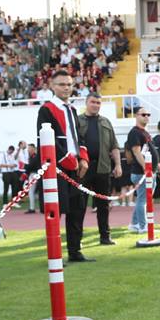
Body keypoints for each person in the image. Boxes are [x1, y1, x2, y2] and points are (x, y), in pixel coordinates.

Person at [36, 69, 93, 262]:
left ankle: (75, 251)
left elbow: (79, 137)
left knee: (78, 210)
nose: (66, 88)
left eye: (69, 84)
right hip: (58, 169)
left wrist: (83, 158)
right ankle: (55, 255)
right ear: (52, 86)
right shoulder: (47, 109)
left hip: (77, 167)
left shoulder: (72, 109)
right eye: (62, 84)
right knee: (57, 211)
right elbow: (46, 139)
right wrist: (68, 159)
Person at [78, 93, 122, 245]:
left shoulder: (106, 122)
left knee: (103, 205)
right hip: (82, 169)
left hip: (102, 168)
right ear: (86, 103)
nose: (96, 105)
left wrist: (118, 165)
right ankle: (77, 239)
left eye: (98, 103)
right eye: (93, 102)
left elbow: (114, 146)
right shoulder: (77, 121)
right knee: (80, 205)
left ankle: (105, 236)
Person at [126, 108, 155, 233]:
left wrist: (156, 168)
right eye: (143, 114)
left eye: (148, 114)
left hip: (148, 171)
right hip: (141, 172)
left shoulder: (145, 133)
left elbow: (150, 151)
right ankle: (143, 227)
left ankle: (134, 224)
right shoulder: (134, 132)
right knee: (143, 200)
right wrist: (146, 169)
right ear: (136, 116)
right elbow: (136, 152)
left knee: (142, 199)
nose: (146, 116)